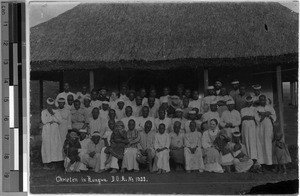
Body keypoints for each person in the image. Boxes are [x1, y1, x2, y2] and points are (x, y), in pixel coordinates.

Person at [41, 98, 63, 170]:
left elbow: (60, 121)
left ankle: (54, 164)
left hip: (54, 131)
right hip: (47, 130)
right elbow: (44, 121)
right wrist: (52, 119)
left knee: (54, 146)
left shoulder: (57, 111)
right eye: (48, 105)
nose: (50, 107)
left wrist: (52, 114)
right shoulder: (44, 112)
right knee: (46, 145)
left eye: (51, 105)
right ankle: (46, 164)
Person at [256, 95, 276, 167]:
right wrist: (265, 114)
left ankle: (269, 163)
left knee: (268, 143)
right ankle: (262, 162)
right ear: (259, 101)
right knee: (261, 143)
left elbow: (274, 118)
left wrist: (263, 114)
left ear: (265, 100)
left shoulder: (270, 108)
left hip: (268, 127)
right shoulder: (257, 108)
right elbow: (258, 119)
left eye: (263, 100)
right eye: (261, 100)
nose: (262, 101)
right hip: (260, 128)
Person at [241, 96, 261, 164]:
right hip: (245, 128)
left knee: (252, 142)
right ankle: (247, 158)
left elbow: (257, 118)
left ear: (252, 102)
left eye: (250, 102)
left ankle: (254, 158)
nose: (248, 103)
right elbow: (243, 117)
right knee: (245, 141)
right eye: (247, 102)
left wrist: (248, 117)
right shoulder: (243, 109)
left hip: (252, 128)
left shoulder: (255, 109)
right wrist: (250, 117)